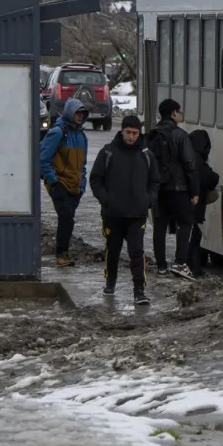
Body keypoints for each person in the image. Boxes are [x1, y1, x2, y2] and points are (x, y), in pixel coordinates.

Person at [89, 115, 160, 305]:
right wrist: (106, 199)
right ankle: (110, 282)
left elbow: (155, 181)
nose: (131, 137)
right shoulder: (108, 152)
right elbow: (95, 179)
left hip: (137, 214)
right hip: (113, 214)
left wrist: (148, 200)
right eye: (128, 132)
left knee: (137, 252)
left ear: (139, 133)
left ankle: (139, 291)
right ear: (122, 131)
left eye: (135, 133)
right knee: (113, 251)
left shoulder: (146, 155)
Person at [148, 98, 199, 279]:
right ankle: (180, 262)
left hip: (158, 189)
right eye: (179, 112)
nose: (180, 115)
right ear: (173, 113)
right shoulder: (180, 135)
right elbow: (190, 164)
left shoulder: (152, 135)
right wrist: (194, 191)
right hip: (179, 189)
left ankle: (161, 265)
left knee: (160, 226)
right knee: (185, 223)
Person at [40, 98, 90, 267]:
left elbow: (83, 164)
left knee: (67, 220)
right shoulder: (58, 133)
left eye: (82, 114)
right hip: (59, 183)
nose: (80, 116)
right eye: (77, 113)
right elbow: (43, 158)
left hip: (75, 186)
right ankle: (61, 254)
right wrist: (53, 180)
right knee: (66, 218)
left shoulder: (82, 136)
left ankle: (63, 253)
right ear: (70, 112)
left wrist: (82, 184)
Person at [187, 129, 219, 278]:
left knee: (190, 234)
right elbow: (209, 178)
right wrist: (215, 176)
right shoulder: (197, 159)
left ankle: (189, 264)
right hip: (195, 203)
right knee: (195, 235)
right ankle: (194, 268)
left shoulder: (188, 155)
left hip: (186, 202)